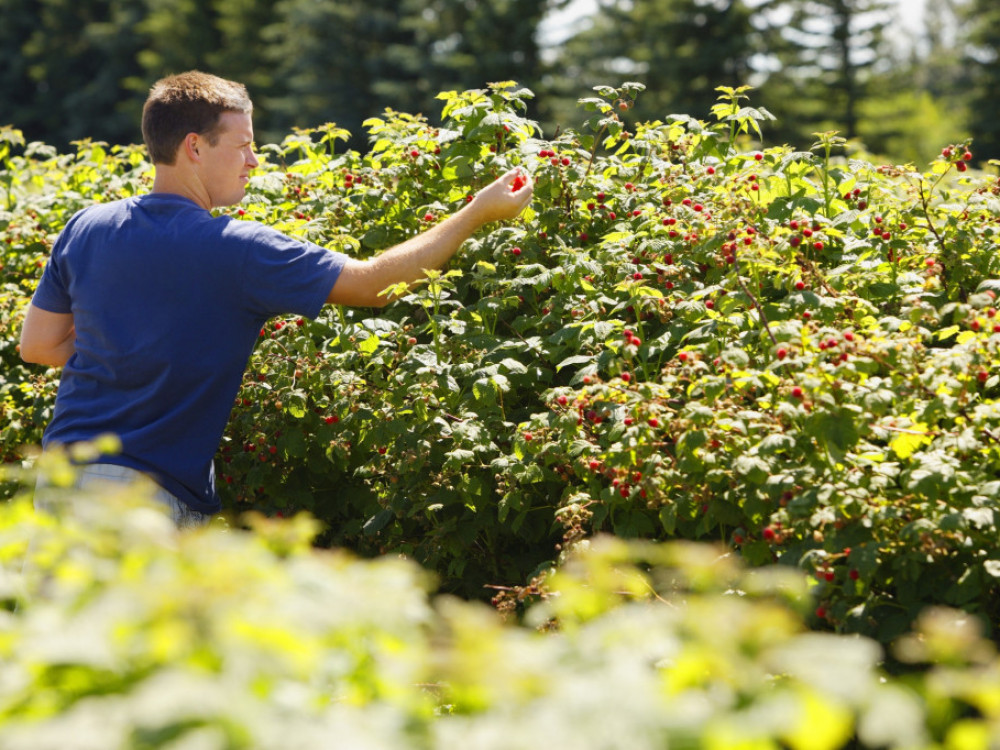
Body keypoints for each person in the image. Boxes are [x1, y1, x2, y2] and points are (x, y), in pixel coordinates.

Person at [19, 70, 533, 527]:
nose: (254, 160)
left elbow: (38, 346)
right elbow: (373, 285)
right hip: (139, 500)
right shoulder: (237, 249)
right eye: (241, 145)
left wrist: (126, 357)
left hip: (64, 480)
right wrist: (476, 213)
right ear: (194, 147)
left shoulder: (86, 226)